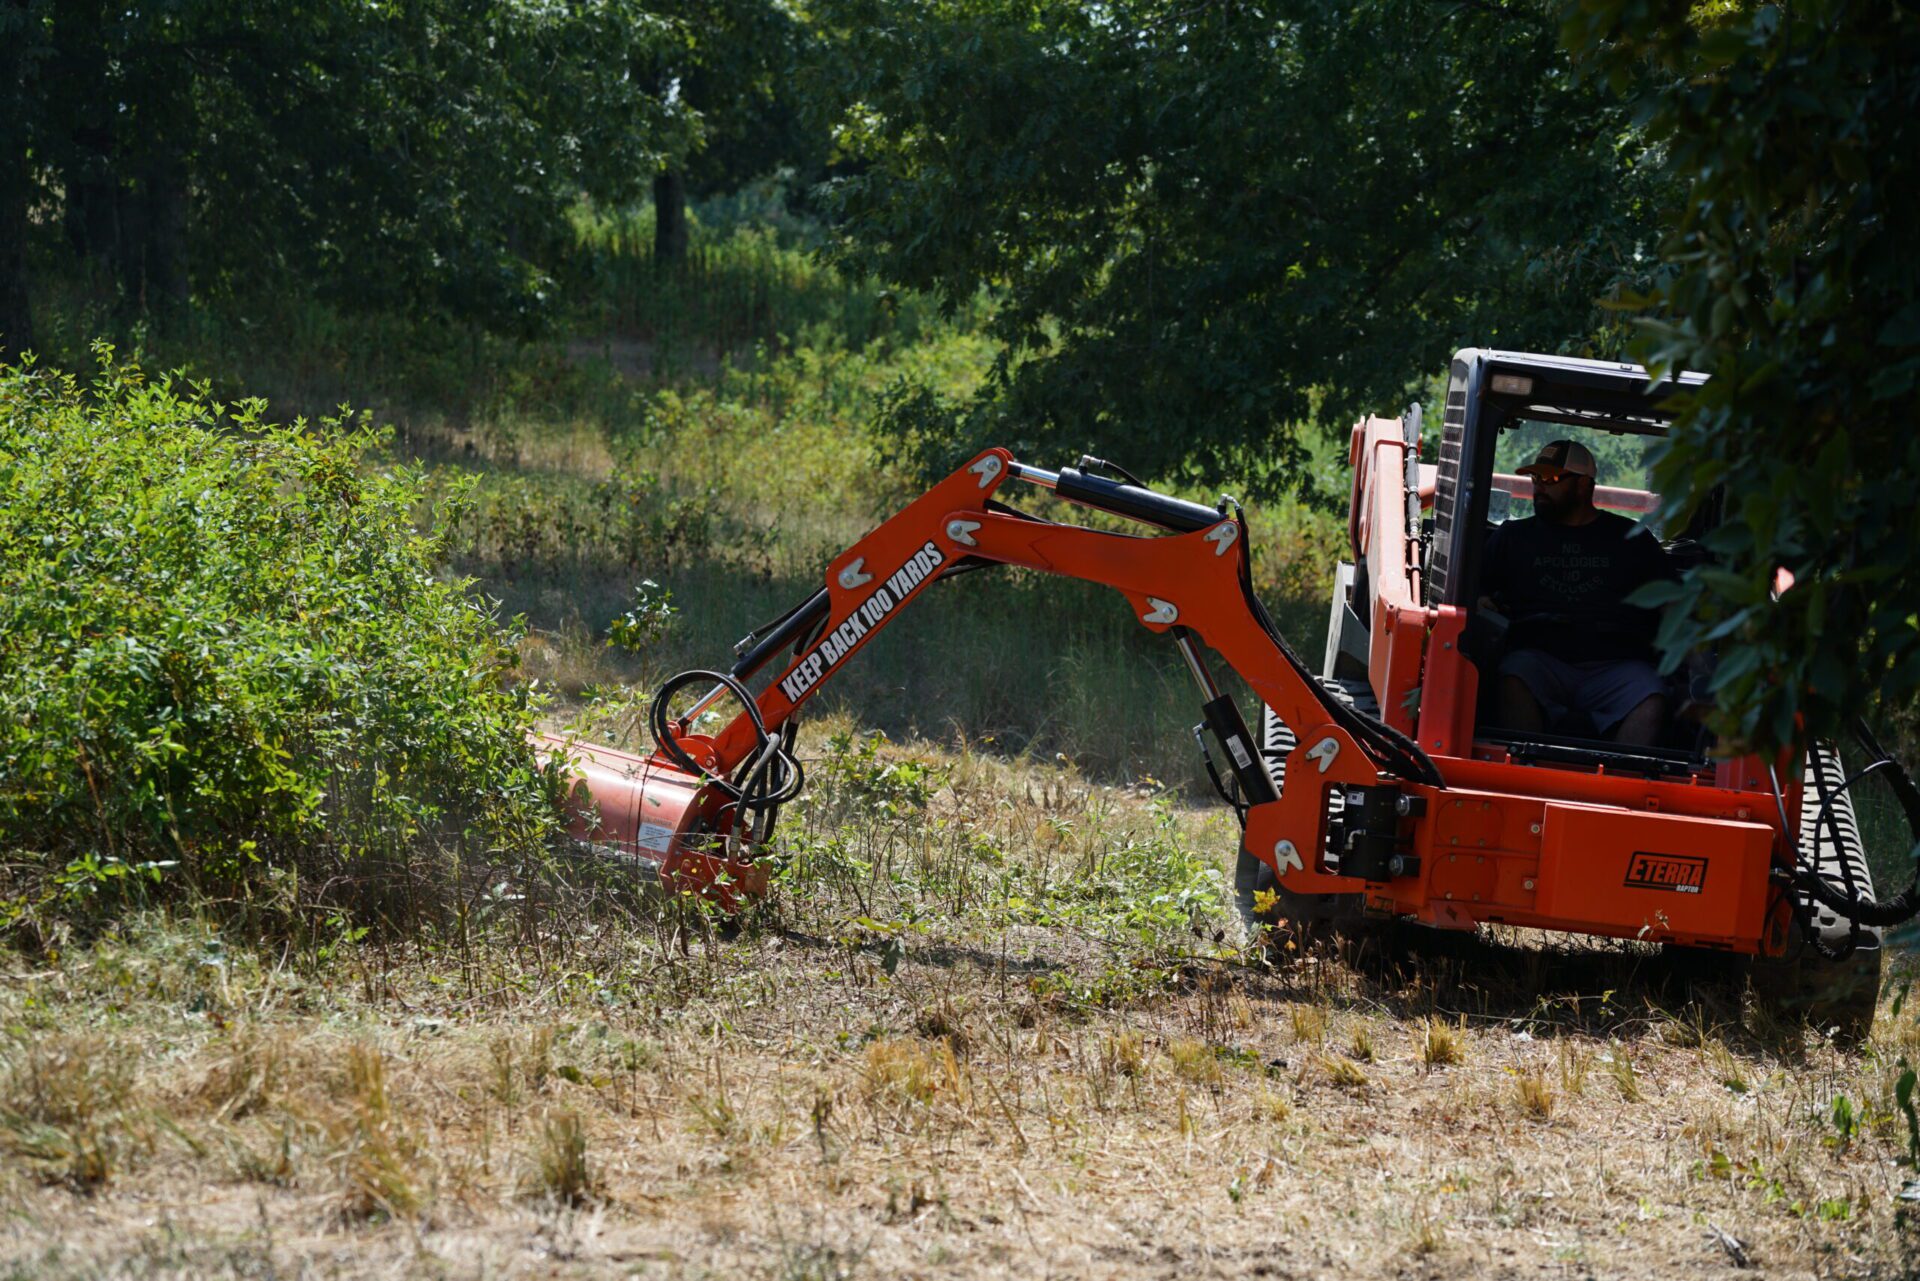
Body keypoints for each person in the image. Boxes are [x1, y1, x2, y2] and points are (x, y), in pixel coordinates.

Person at [1477, 439, 1677, 747]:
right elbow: (1472, 588)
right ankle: (1528, 773)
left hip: (1616, 665)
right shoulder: (1512, 538)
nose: (1539, 487)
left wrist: (1699, 665)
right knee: (1512, 678)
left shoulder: (1633, 540)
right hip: (1539, 659)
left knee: (1651, 695)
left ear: (1584, 486)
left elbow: (1673, 605)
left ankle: (1620, 787)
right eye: (1536, 478)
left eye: (1551, 479)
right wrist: (1481, 600)